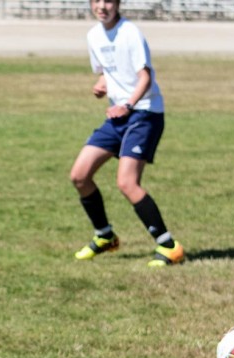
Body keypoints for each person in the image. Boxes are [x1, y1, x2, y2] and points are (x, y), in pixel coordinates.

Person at [69, 0, 184, 268]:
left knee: (127, 183)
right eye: (96, 0)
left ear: (118, 3)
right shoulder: (94, 36)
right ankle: (104, 237)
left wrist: (128, 104)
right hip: (117, 114)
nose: (102, 6)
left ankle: (169, 247)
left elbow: (144, 76)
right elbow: (109, 73)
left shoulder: (130, 32)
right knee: (79, 175)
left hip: (144, 113)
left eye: (108, 0)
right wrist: (100, 85)